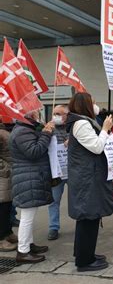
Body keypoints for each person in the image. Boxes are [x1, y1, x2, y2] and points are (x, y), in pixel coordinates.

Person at [66, 93, 113, 272]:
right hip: (86, 179)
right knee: (88, 217)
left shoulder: (83, 122)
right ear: (85, 105)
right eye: (92, 102)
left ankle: (85, 253)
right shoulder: (81, 123)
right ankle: (84, 261)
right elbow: (96, 146)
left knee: (91, 217)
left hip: (89, 176)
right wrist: (105, 129)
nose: (95, 105)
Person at [10, 110, 54, 264]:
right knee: (27, 217)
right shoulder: (22, 132)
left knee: (29, 214)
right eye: (34, 112)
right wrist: (46, 134)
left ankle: (28, 244)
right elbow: (34, 152)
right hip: (27, 177)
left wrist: (43, 131)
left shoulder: (26, 129)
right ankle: (23, 251)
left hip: (30, 176)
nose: (38, 113)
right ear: (27, 116)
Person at [47, 105, 69, 241]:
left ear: (67, 115)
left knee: (77, 198)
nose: (55, 116)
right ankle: (53, 227)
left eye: (59, 114)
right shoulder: (49, 128)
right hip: (56, 171)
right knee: (54, 200)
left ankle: (81, 222)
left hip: (72, 170)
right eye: (54, 113)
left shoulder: (74, 127)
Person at [0, 122, 16, 252]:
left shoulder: (3, 129)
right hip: (3, 175)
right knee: (2, 208)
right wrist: (4, 168)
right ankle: (1, 239)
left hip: (9, 174)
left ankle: (7, 232)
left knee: (8, 206)